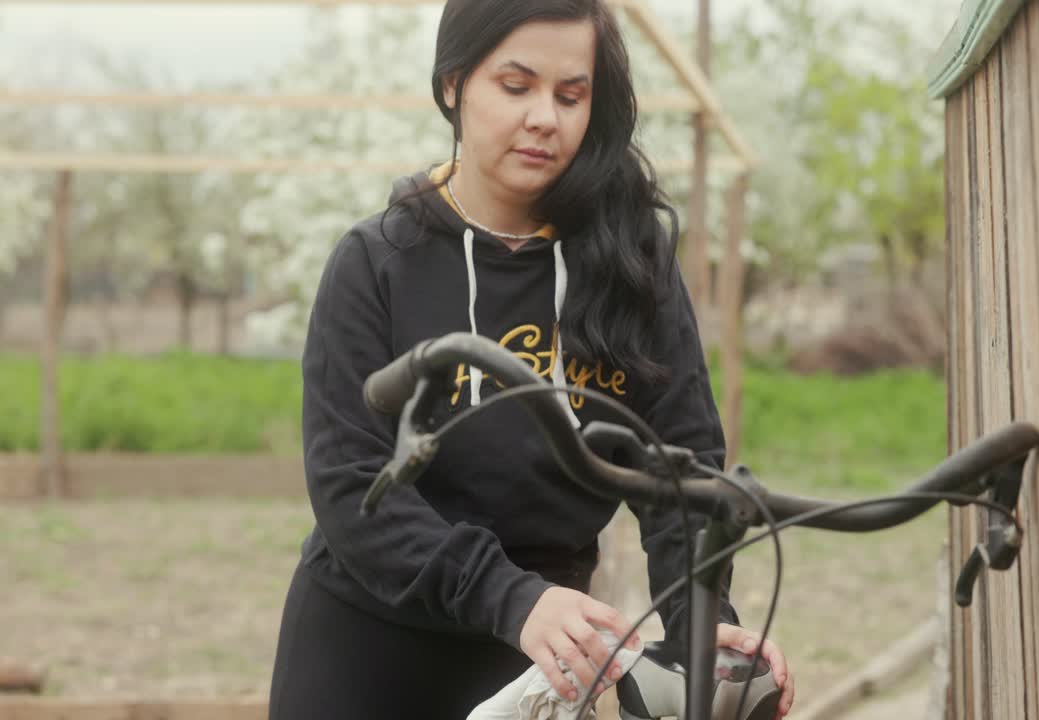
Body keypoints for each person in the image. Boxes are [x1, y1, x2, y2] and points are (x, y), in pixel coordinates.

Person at [268, 1, 795, 717]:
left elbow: (681, 466)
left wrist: (704, 622)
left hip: (540, 658)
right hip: (370, 646)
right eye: (516, 87)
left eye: (570, 95)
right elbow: (351, 485)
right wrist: (512, 597)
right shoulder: (377, 264)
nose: (545, 117)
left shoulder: (629, 262)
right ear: (454, 83)